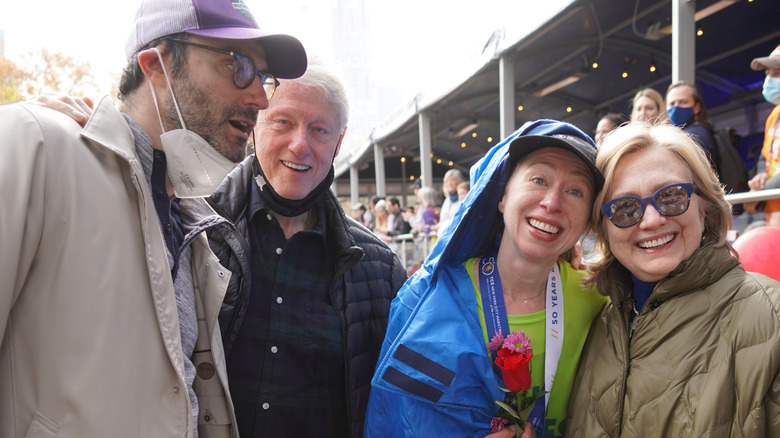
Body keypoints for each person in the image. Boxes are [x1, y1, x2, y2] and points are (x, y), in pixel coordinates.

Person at [0, 0, 307, 436]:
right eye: (238, 66)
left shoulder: (192, 220)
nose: (258, 96)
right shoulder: (37, 146)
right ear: (156, 64)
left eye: (263, 77)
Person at [365, 119, 609, 438]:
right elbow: (390, 422)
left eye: (575, 190)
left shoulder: (598, 301)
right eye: (538, 179)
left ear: (588, 219)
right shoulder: (425, 298)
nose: (552, 202)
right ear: (502, 195)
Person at [205, 57, 408, 438]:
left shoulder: (379, 269)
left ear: (339, 141)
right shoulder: (194, 232)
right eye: (283, 122)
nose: (300, 145)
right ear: (255, 124)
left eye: (319, 130)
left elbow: (400, 401)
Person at [566, 123, 780, 437]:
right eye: (625, 208)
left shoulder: (771, 319)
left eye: (671, 196)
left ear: (703, 206)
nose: (652, 220)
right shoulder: (596, 323)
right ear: (603, 228)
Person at [746, 44, 780, 227]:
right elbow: (765, 157)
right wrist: (761, 176)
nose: (770, 79)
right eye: (768, 73)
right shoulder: (774, 116)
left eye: (777, 73)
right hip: (774, 215)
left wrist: (761, 192)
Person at [665, 81, 719, 169]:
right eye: (672, 104)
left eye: (683, 102)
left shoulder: (695, 136)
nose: (676, 107)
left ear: (696, 107)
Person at [436, 168, 467, 236]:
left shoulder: (464, 198)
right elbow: (443, 220)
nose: (449, 183)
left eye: (452, 180)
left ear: (459, 181)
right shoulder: (447, 200)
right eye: (447, 181)